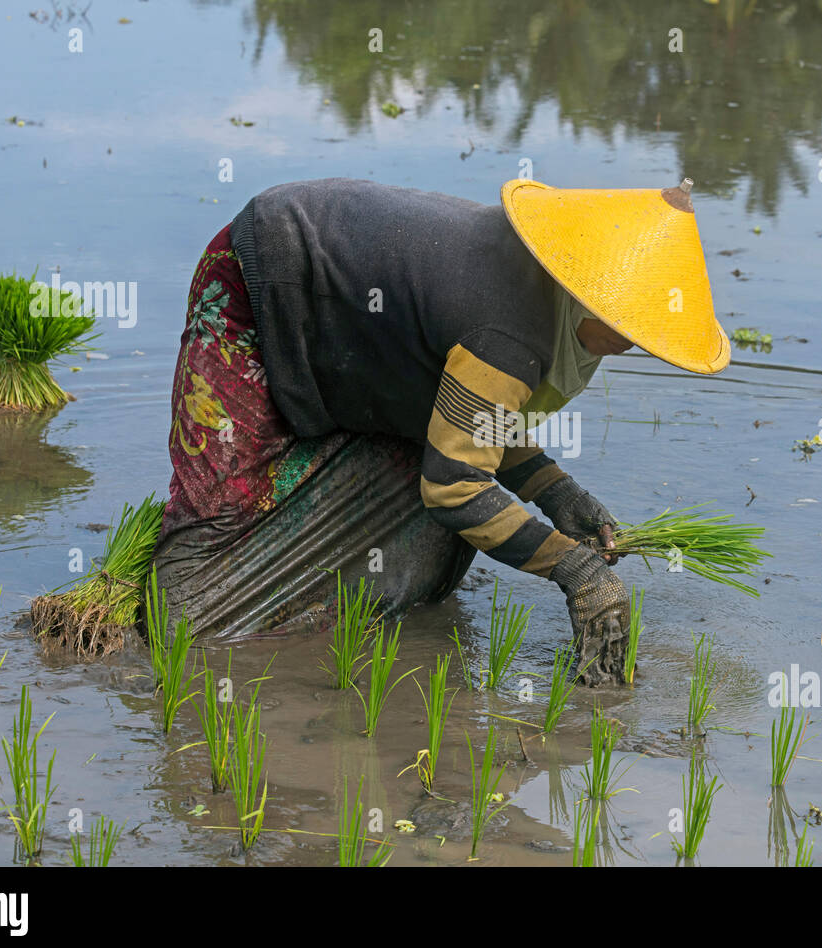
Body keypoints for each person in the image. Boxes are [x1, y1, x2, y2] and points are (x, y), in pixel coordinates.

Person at [152, 176, 729, 684]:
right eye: (630, 329)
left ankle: (299, 611)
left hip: (355, 335)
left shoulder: (552, 305)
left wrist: (556, 492)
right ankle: (152, 641)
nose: (631, 345)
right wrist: (572, 569)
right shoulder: (510, 332)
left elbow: (480, 419)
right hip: (263, 280)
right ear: (589, 298)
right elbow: (455, 483)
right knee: (218, 530)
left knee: (413, 506)